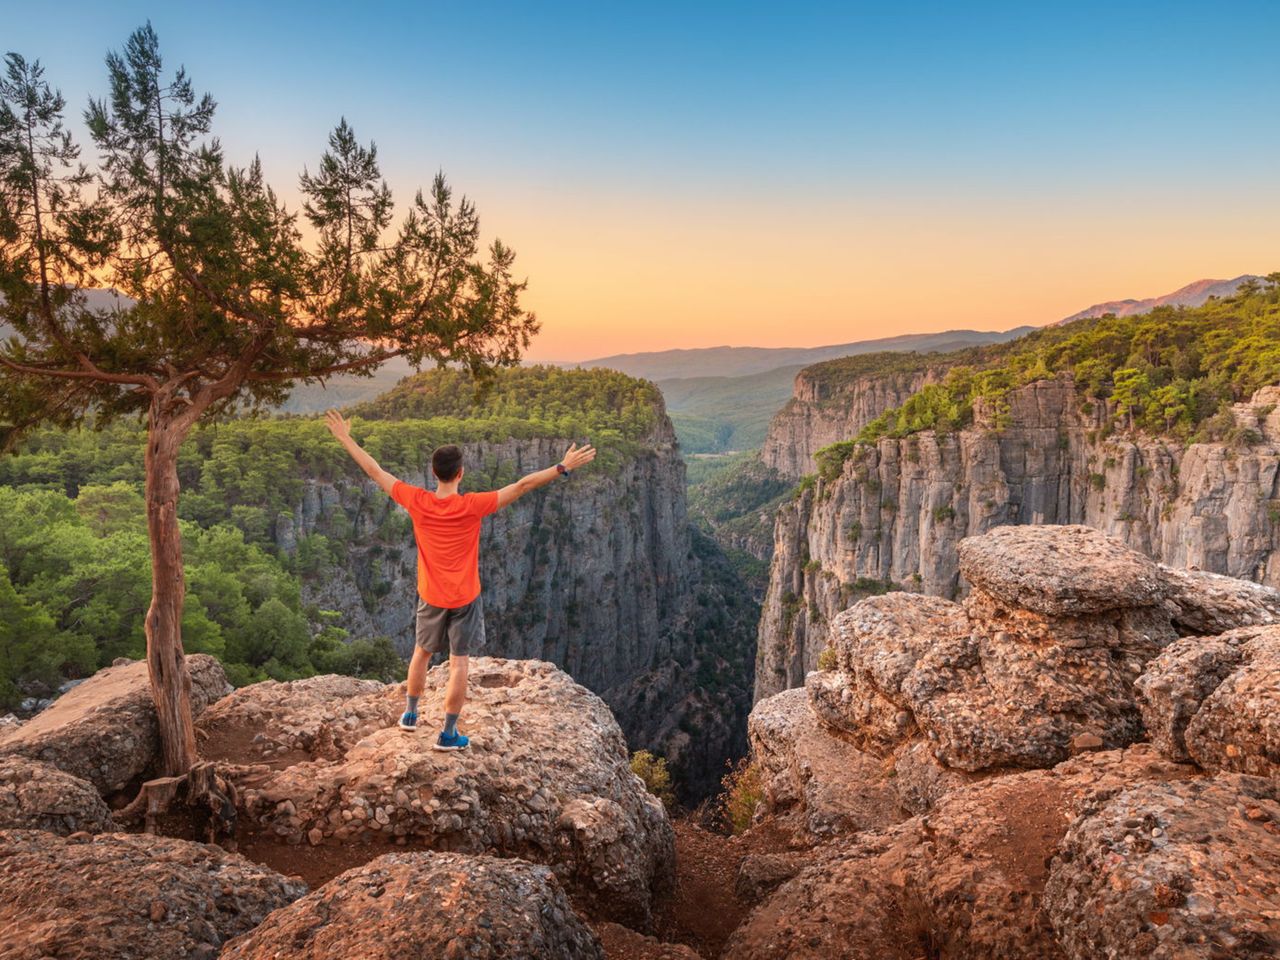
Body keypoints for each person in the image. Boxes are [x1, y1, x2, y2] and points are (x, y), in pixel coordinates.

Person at [324, 409, 596, 751]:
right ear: (461, 473)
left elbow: (373, 470)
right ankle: (448, 734)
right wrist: (562, 466)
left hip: (430, 595)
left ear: (433, 473)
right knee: (459, 663)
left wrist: (344, 437)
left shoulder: (417, 501)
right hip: (465, 598)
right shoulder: (472, 505)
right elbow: (523, 485)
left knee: (421, 653)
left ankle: (410, 716)